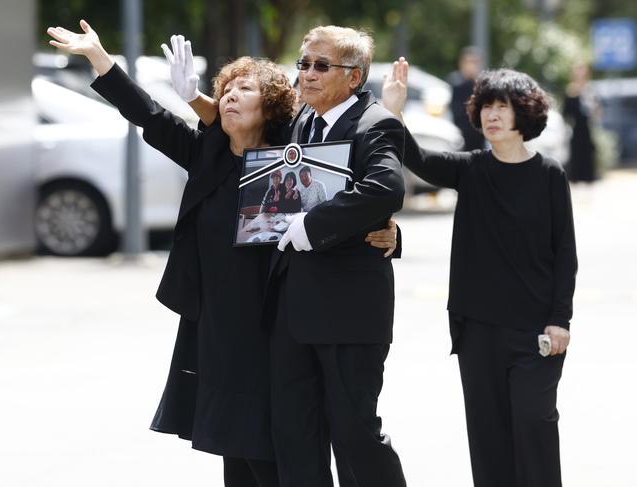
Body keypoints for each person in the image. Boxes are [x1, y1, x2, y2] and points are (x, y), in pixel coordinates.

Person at [46, 21, 295, 487]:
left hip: (268, 330)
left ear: (273, 106)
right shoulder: (210, 155)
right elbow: (150, 116)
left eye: (246, 89)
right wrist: (101, 59)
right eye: (227, 89)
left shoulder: (290, 162)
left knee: (268, 454)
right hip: (215, 327)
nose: (231, 96)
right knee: (230, 449)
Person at [384, 58, 577, 487]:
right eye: (487, 105)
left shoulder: (549, 174)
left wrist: (560, 319)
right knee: (488, 438)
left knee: (534, 424)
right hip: (478, 332)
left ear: (524, 113)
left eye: (503, 106)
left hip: (535, 333)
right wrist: (393, 109)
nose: (492, 114)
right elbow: (414, 156)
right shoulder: (469, 169)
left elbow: (565, 252)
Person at [269, 26, 407, 487]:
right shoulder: (301, 122)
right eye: (303, 63)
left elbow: (386, 188)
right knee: (295, 436)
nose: (307, 74)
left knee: (354, 436)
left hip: (350, 315)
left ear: (354, 76)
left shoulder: (376, 123)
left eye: (320, 65)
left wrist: (314, 226)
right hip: (294, 313)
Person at [563, 63, 597, 185]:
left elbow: (596, 110)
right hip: (575, 127)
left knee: (588, 152)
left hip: (587, 127)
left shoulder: (590, 90)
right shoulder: (570, 90)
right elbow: (566, 112)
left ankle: (589, 178)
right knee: (576, 152)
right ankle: (576, 178)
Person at [447, 46, 485, 151]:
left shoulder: (480, 83)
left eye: (474, 62)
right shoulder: (455, 81)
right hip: (460, 131)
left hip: (478, 132)